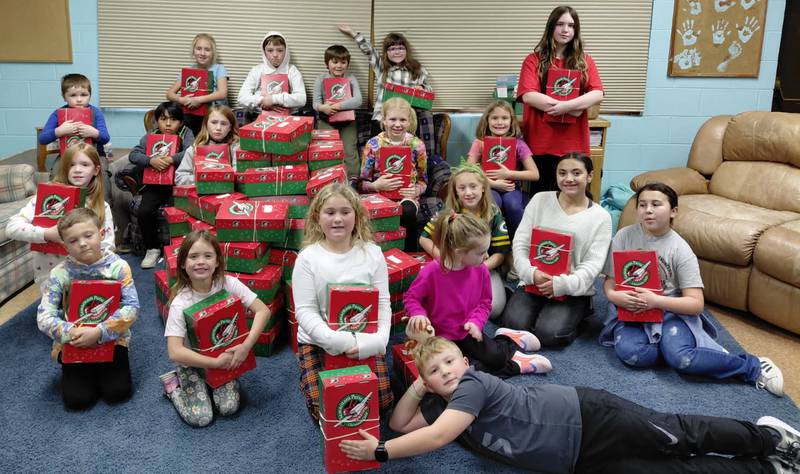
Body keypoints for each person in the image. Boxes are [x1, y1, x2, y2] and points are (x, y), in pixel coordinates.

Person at [340, 337, 800, 474]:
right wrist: (420, 386)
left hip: (589, 416)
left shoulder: (473, 384)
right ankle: (768, 470)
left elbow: (434, 438)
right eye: (436, 372)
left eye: (449, 363)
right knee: (672, 473)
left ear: (464, 360)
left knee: (677, 435)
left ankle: (766, 437)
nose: (447, 373)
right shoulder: (445, 402)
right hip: (575, 458)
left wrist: (379, 452)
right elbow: (402, 424)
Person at [600, 182, 785, 397]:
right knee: (634, 355)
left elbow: (696, 304)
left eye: (656, 204)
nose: (648, 210)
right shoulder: (623, 236)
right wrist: (614, 296)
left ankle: (753, 367)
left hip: (669, 310)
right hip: (630, 310)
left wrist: (656, 301)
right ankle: (674, 347)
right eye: (642, 205)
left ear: (673, 211)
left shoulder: (681, 249)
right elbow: (610, 282)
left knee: (682, 360)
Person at [291, 182, 394, 421]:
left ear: (357, 217)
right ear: (318, 218)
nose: (338, 219)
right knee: (327, 411)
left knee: (381, 404)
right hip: (318, 341)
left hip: (363, 337)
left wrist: (378, 341)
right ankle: (309, 374)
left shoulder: (372, 253)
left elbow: (382, 303)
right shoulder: (307, 259)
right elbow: (305, 312)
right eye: (330, 212)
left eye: (345, 212)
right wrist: (337, 341)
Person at [405, 212, 550, 378]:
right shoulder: (431, 272)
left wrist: (476, 322)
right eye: (481, 252)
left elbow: (485, 303)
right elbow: (411, 298)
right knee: (461, 374)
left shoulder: (481, 270)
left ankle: (508, 341)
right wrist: (418, 314)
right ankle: (516, 365)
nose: (487, 256)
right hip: (440, 337)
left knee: (496, 359)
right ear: (459, 252)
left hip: (468, 332)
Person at [160, 230, 271, 427]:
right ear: (183, 264)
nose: (201, 261)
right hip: (193, 363)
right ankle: (173, 387)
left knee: (228, 408)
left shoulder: (229, 284)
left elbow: (263, 311)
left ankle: (218, 383)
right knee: (201, 419)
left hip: (224, 358)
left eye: (208, 256)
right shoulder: (181, 302)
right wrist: (214, 363)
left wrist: (245, 346)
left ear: (217, 261)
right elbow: (174, 351)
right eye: (193, 257)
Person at [500, 153, 611, 347]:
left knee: (549, 336)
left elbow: (593, 264)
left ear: (590, 176)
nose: (568, 179)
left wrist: (560, 284)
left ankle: (583, 310)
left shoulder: (601, 217)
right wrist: (531, 274)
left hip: (571, 289)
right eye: (562, 173)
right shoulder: (539, 200)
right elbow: (520, 243)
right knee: (513, 326)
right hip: (534, 281)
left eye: (576, 173)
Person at [36, 208, 138, 410]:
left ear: (101, 234)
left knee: (117, 392)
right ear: (64, 246)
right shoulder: (60, 273)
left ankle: (101, 367)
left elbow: (131, 308)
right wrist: (71, 332)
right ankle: (84, 369)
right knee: (77, 400)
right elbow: (44, 316)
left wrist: (100, 331)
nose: (82, 243)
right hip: (74, 341)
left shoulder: (118, 267)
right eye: (73, 241)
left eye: (88, 235)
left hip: (111, 338)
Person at [517, 6, 604, 195]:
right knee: (540, 198)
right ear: (551, 27)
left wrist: (568, 106)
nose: (566, 30)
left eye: (571, 25)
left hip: (573, 142)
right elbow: (529, 95)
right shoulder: (533, 60)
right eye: (560, 24)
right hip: (541, 142)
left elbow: (597, 93)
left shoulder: (585, 61)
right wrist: (574, 108)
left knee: (572, 197)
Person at [7, 143, 115, 291]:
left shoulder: (102, 206)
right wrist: (46, 234)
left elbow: (108, 245)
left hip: (89, 275)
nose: (77, 170)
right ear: (65, 168)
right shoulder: (46, 198)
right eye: (71, 165)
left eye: (84, 165)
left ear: (96, 170)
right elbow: (12, 228)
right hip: (51, 277)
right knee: (55, 312)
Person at [418, 162, 510, 318]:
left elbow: (501, 253)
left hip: (481, 267)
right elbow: (424, 239)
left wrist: (480, 269)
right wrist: (444, 259)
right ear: (455, 191)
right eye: (462, 188)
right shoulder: (447, 212)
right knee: (441, 306)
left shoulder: (493, 213)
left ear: (483, 187)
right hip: (451, 267)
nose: (468, 193)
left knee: (494, 309)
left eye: (473, 186)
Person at [127, 101, 194, 269]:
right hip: (155, 185)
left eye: (173, 120)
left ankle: (180, 249)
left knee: (180, 214)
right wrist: (151, 161)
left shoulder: (187, 134)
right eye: (163, 119)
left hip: (178, 184)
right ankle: (152, 248)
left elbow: (191, 151)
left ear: (181, 122)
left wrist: (172, 159)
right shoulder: (151, 135)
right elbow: (134, 155)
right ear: (157, 121)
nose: (169, 124)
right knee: (144, 212)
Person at [356, 97, 427, 252]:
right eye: (392, 119)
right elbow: (361, 183)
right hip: (379, 196)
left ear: (409, 121)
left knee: (407, 212)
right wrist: (376, 185)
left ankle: (407, 257)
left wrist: (416, 190)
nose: (397, 124)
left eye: (402, 120)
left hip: (406, 197)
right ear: (384, 120)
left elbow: (423, 181)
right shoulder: (373, 144)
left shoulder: (417, 145)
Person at [337, 24, 432, 136]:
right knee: (378, 150)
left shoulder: (417, 68)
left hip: (405, 120)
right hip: (381, 118)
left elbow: (429, 91)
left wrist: (422, 88)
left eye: (401, 48)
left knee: (405, 151)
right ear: (386, 52)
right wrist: (353, 33)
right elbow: (369, 51)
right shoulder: (382, 67)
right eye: (392, 49)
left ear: (407, 50)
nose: (397, 52)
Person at [466, 100, 539, 238]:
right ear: (487, 120)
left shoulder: (519, 144)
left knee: (513, 206)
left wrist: (509, 174)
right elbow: (468, 170)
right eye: (494, 118)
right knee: (493, 205)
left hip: (511, 187)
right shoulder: (479, 143)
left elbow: (535, 174)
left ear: (511, 122)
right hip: (487, 186)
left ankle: (518, 242)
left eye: (504, 118)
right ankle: (490, 244)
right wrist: (491, 183)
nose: (499, 122)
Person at [38, 73, 112, 199]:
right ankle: (60, 207)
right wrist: (59, 131)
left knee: (103, 175)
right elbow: (42, 139)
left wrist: (94, 133)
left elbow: (105, 137)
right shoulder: (58, 114)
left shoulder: (96, 113)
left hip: (95, 155)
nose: (79, 99)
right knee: (56, 173)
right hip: (67, 155)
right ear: (64, 97)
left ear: (89, 95)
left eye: (84, 95)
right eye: (73, 95)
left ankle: (105, 207)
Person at [312, 44, 363, 179]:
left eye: (343, 62)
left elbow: (358, 101)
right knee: (326, 150)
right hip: (326, 120)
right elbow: (315, 103)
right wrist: (324, 108)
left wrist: (337, 106)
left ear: (347, 64)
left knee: (349, 151)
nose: (339, 66)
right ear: (327, 63)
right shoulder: (320, 79)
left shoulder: (351, 78)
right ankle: (325, 178)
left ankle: (353, 179)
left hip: (348, 121)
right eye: (334, 62)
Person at [165, 33, 229, 135]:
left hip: (214, 114)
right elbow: (169, 94)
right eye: (199, 49)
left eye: (207, 50)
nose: (202, 53)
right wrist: (181, 99)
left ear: (212, 53)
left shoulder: (219, 69)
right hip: (192, 114)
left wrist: (198, 100)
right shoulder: (188, 72)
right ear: (193, 52)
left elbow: (222, 93)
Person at [237, 32, 306, 119]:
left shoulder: (292, 71)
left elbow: (301, 99)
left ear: (286, 51)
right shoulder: (256, 70)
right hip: (259, 116)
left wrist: (273, 99)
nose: (275, 55)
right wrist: (262, 101)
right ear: (264, 52)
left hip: (288, 117)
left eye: (280, 50)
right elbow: (242, 97)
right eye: (270, 50)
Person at [174, 105, 240, 185]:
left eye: (224, 124)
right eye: (214, 122)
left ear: (230, 127)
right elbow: (179, 178)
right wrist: (202, 178)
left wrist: (224, 177)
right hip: (202, 195)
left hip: (229, 195)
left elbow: (241, 176)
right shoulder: (194, 149)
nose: (218, 128)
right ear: (206, 124)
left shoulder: (237, 148)